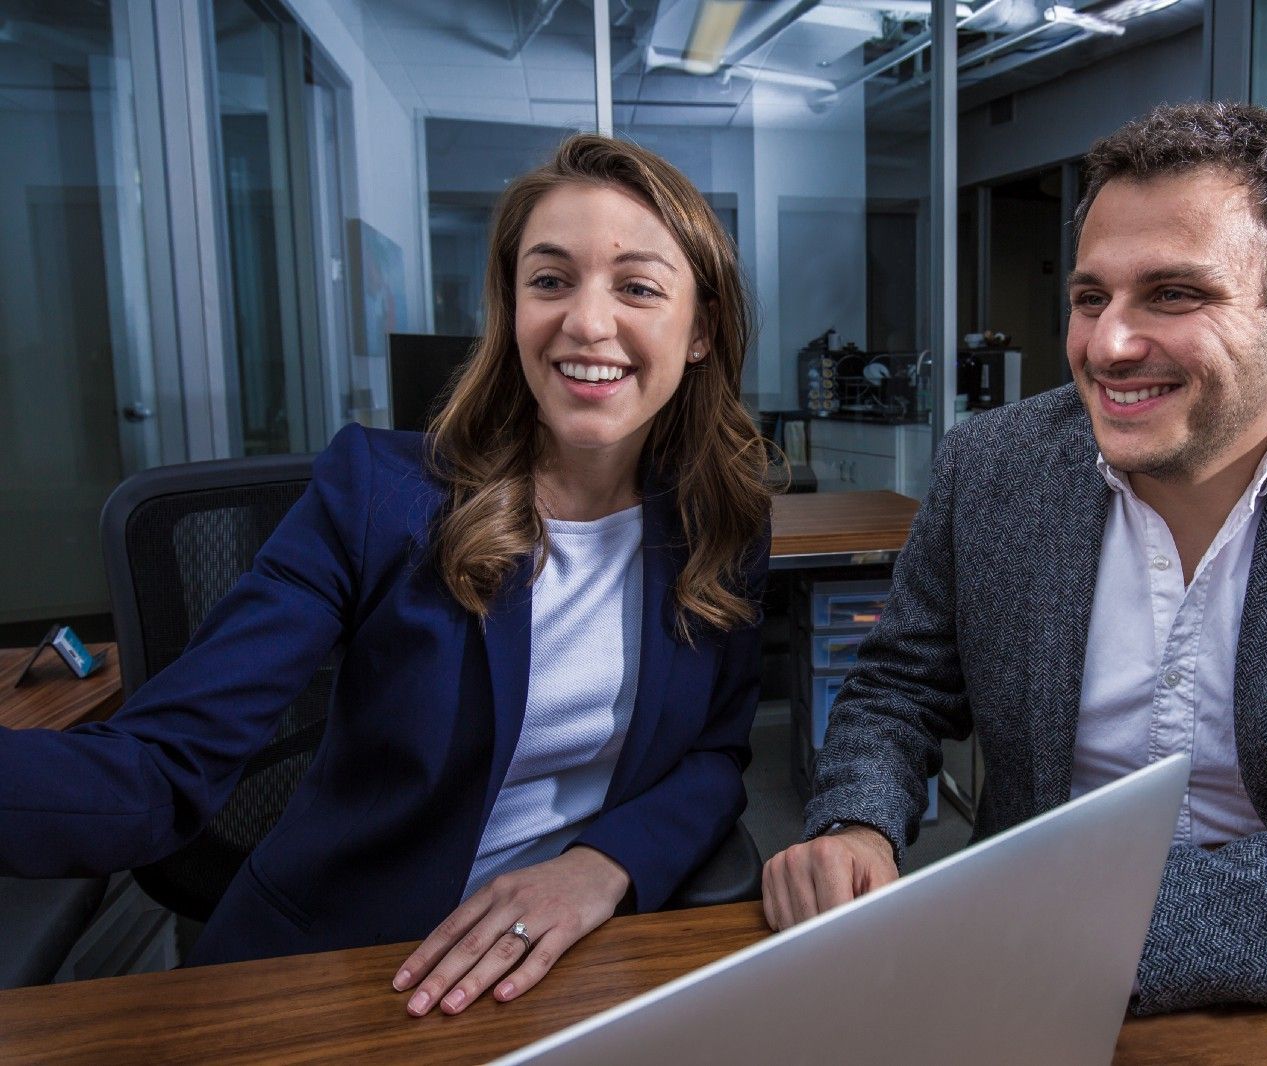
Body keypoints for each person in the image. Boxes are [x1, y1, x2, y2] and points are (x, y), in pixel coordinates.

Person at [761, 101, 1267, 1014]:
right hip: (1028, 989)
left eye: (1174, 294)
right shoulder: (994, 468)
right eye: (1089, 297)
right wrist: (857, 819)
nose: (1106, 345)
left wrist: (1104, 923)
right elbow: (900, 685)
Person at [0, 135, 771, 1017]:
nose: (587, 323)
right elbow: (159, 769)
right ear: (510, 306)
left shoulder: (721, 522)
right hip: (354, 974)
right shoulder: (378, 494)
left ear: (701, 329)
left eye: (637, 287)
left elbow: (716, 751)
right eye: (550, 280)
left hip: (582, 967)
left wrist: (604, 866)